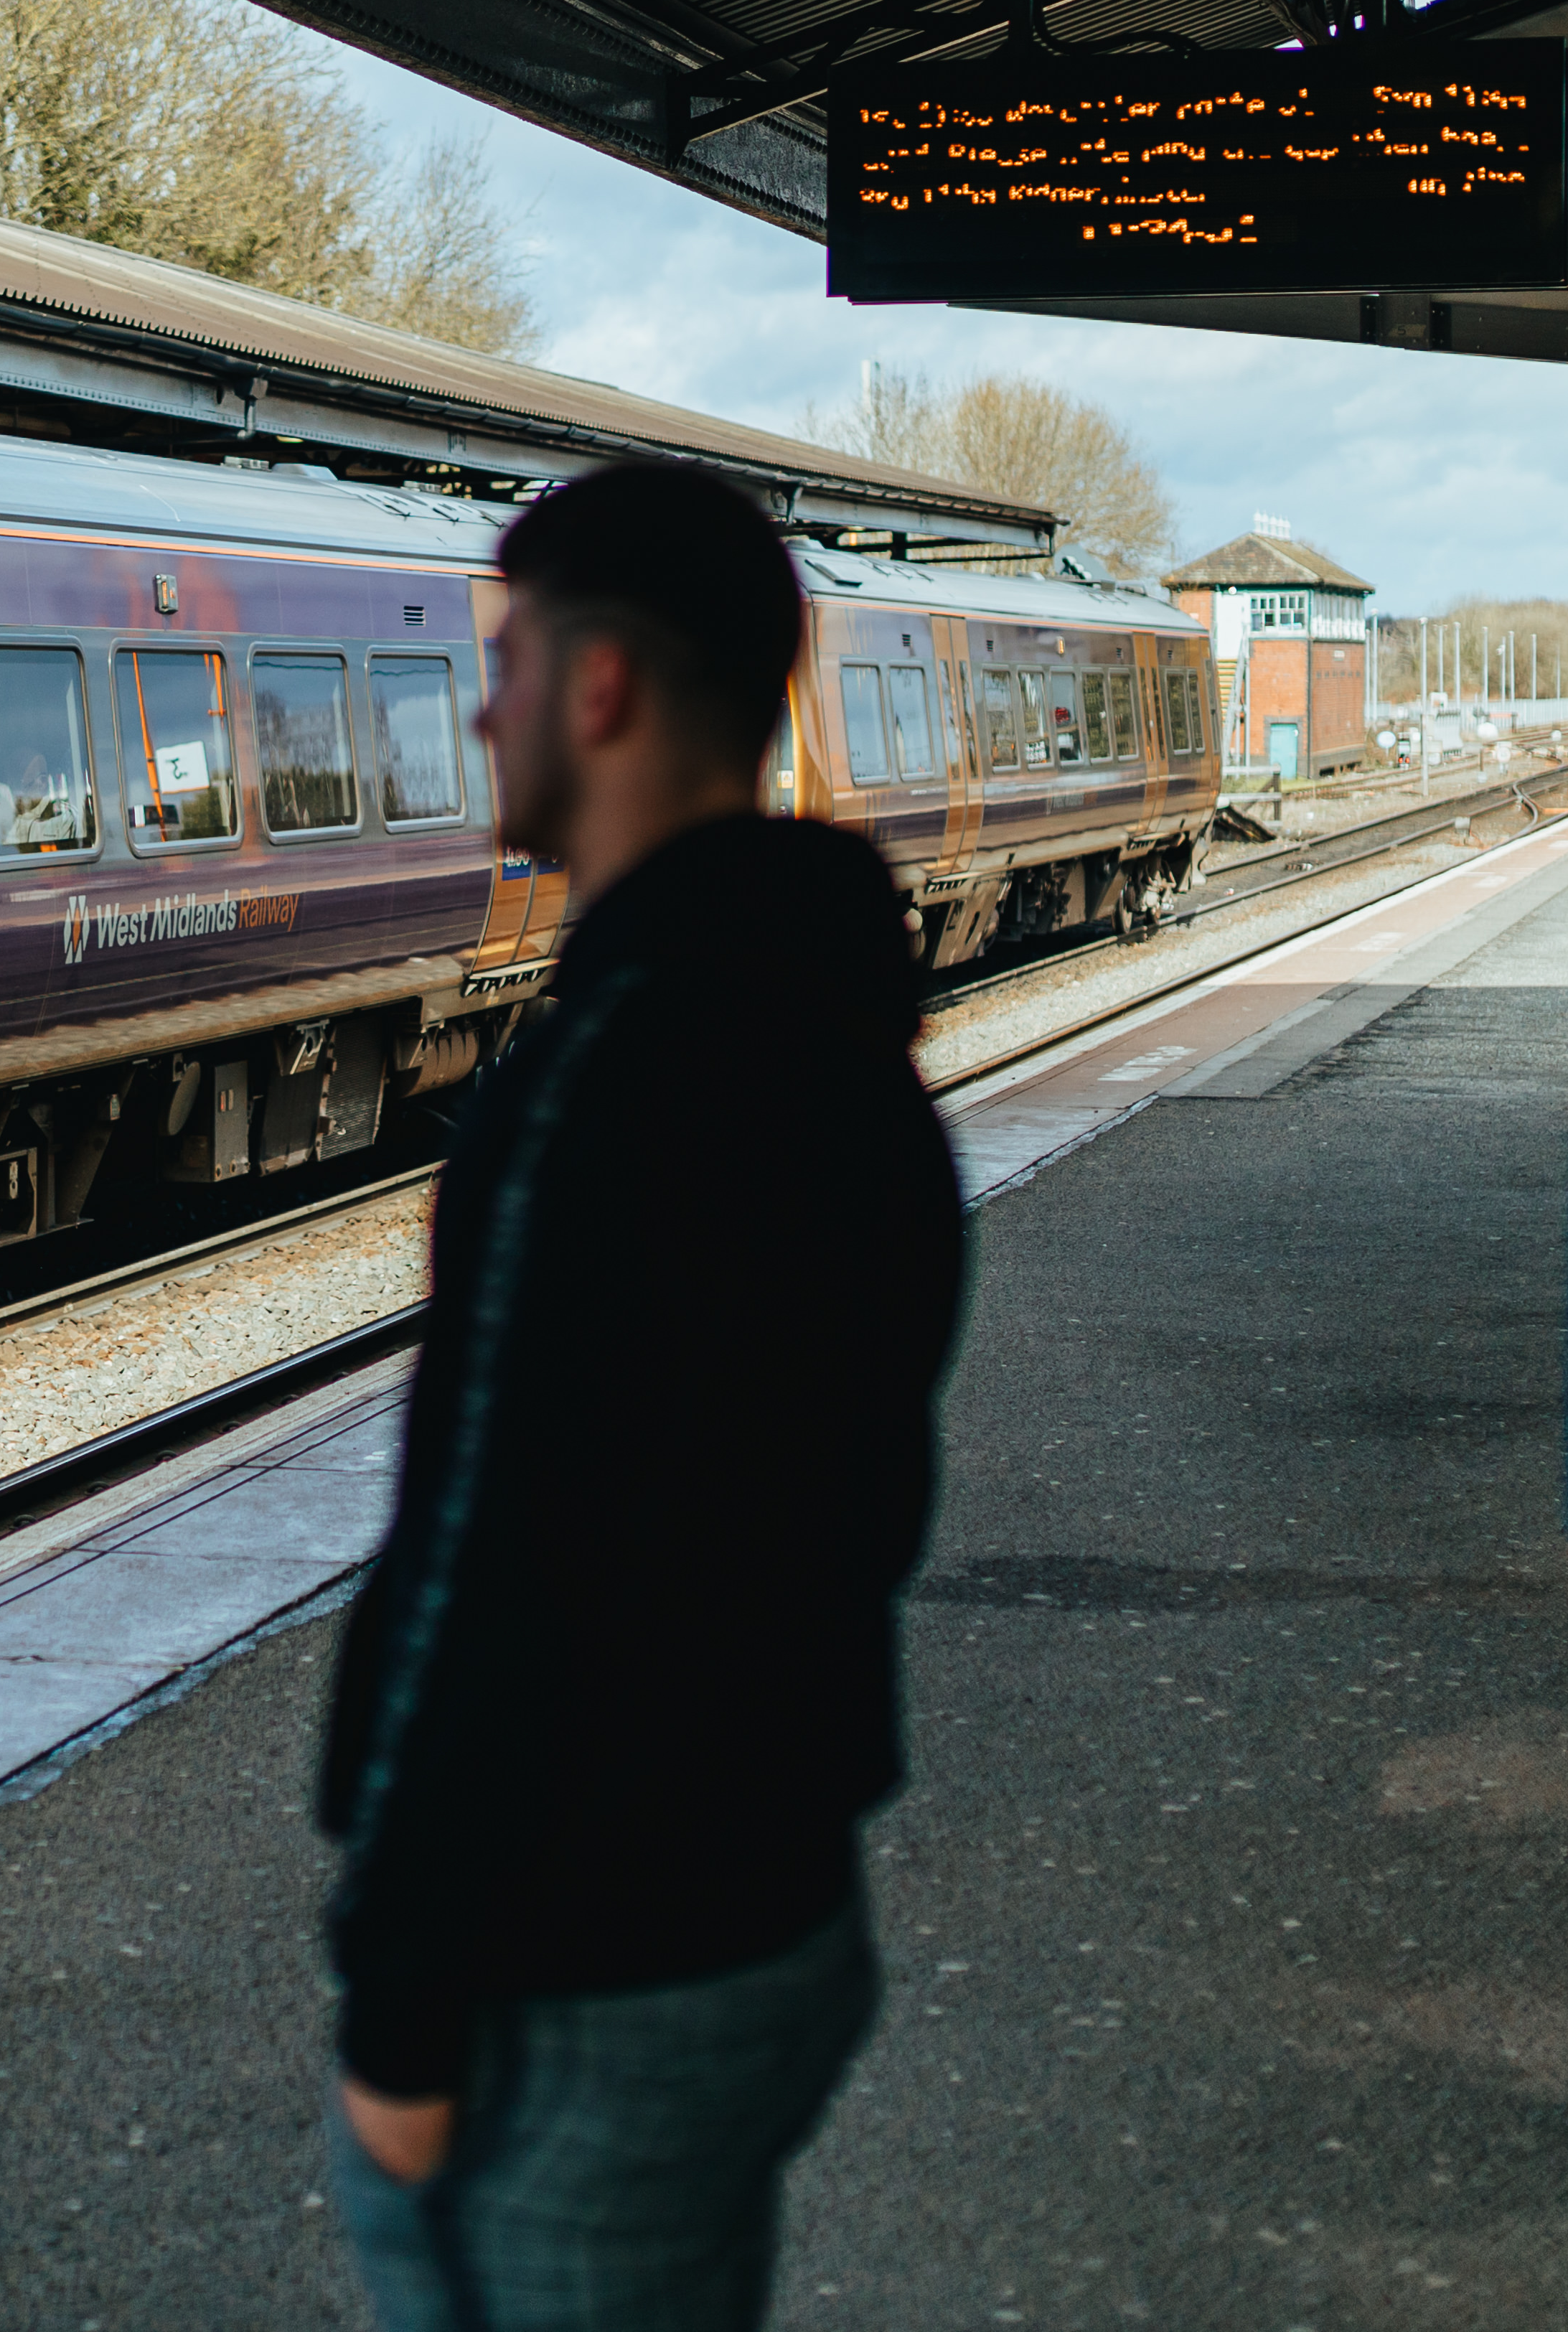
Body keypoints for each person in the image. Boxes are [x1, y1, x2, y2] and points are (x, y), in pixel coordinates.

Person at [318, 462, 969, 2329]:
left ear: (599, 692)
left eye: (506, 659)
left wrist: (401, 2002)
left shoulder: (619, 1074)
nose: (480, 705)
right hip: (764, 1897)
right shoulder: (835, 1035)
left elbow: (494, 1557)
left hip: (583, 1963)